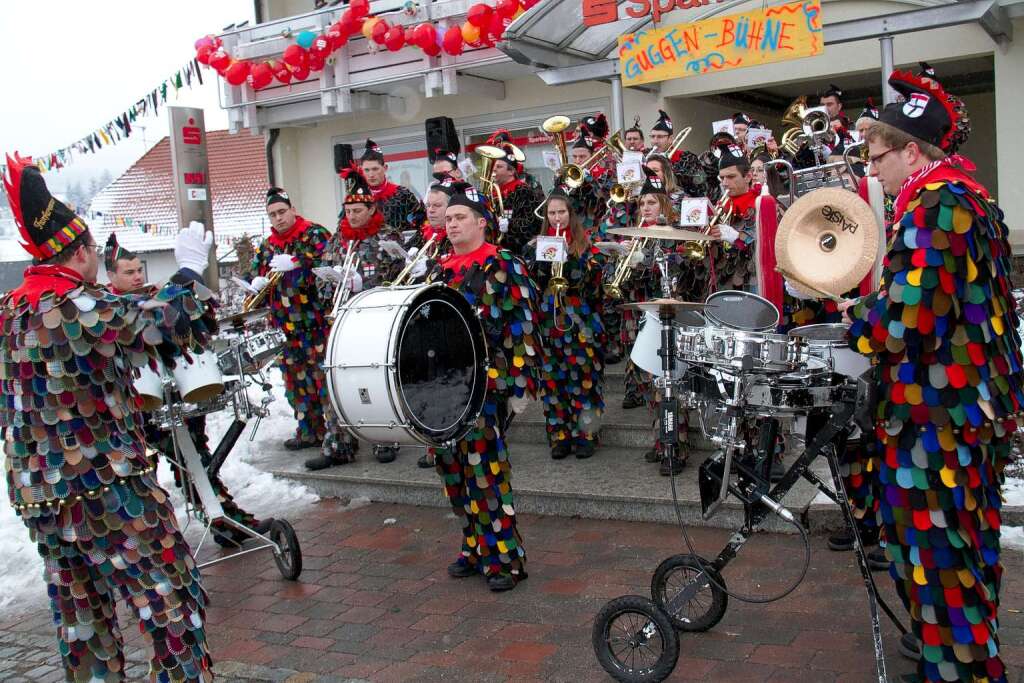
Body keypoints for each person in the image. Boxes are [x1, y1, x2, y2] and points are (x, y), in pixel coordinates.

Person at [1, 156, 216, 681]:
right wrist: (188, 272)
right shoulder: (77, 306)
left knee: (82, 615)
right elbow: (156, 321)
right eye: (95, 251)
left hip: (39, 492)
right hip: (104, 487)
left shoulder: (9, 310)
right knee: (168, 596)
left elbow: (119, 310)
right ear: (79, 253)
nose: (98, 259)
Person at [842, 70, 1018, 683]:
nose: (875, 170)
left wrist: (854, 318)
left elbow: (907, 321)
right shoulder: (968, 196)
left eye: (879, 155)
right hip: (963, 410)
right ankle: (958, 660)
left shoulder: (938, 202)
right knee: (961, 555)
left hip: (938, 418)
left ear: (912, 150)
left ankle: (960, 673)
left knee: (940, 559)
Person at [105, 234, 267, 545]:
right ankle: (151, 544)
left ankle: (224, 522)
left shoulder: (151, 295)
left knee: (198, 464)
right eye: (129, 272)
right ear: (111, 276)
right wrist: (188, 272)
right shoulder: (108, 306)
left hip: (175, 399)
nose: (138, 276)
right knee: (140, 480)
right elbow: (150, 312)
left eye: (140, 269)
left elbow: (182, 319)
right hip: (137, 410)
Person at [428, 182, 542, 592]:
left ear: (482, 223)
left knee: (486, 475)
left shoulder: (504, 263)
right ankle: (474, 546)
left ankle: (504, 560)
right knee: (453, 473)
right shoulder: (438, 270)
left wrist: (520, 384)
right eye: (448, 217)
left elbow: (524, 325)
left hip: (487, 385)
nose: (451, 223)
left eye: (460, 218)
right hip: (442, 390)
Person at [308, 168, 406, 470]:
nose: (351, 216)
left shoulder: (388, 236)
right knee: (337, 381)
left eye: (357, 210)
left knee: (376, 380)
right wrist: (337, 282)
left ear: (371, 209)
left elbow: (400, 279)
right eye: (348, 211)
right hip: (342, 320)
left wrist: (367, 286)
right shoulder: (338, 240)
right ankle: (338, 444)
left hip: (377, 320)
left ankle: (384, 438)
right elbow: (321, 283)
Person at [524, 187, 606, 459]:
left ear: (571, 215)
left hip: (578, 317)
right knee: (552, 381)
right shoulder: (538, 243)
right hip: (548, 319)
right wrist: (535, 253)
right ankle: (559, 435)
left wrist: (568, 257)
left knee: (583, 379)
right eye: (552, 213)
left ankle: (587, 434)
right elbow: (530, 283)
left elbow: (593, 286)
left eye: (561, 212)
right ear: (546, 216)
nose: (557, 217)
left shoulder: (586, 245)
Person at [251, 187, 332, 452]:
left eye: (282, 212)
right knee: (295, 381)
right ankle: (308, 430)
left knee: (322, 379)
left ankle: (334, 433)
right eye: (272, 214)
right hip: (284, 327)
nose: (278, 218)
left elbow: (329, 262)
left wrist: (299, 261)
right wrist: (257, 282)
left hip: (315, 323)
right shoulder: (267, 246)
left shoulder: (315, 233)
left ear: (293, 209)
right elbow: (257, 272)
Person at [713, 143, 760, 291]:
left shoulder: (761, 203)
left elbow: (766, 245)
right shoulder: (720, 205)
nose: (725, 183)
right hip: (724, 278)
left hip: (753, 279)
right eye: (722, 178)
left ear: (748, 177)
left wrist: (737, 237)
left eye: (731, 177)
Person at [359, 139, 426, 233]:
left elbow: (421, 223)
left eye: (375, 169)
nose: (371, 174)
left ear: (385, 168)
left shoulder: (402, 194)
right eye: (367, 170)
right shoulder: (357, 198)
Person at [489, 141, 543, 254]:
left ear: (511, 171)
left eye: (499, 166)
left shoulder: (523, 191)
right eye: (494, 166)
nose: (494, 169)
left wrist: (510, 223)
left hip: (518, 252)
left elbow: (533, 223)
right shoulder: (493, 193)